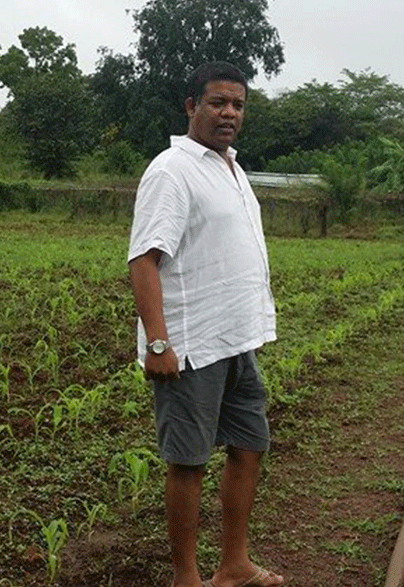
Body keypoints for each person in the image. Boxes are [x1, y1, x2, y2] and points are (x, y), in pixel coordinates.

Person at [127, 61, 284, 587]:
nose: (229, 113)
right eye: (218, 102)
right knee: (189, 462)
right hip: (191, 344)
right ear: (192, 106)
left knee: (249, 445)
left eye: (238, 105)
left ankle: (234, 564)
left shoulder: (231, 167)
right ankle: (186, 578)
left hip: (236, 338)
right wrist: (158, 342)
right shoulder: (173, 169)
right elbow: (144, 259)